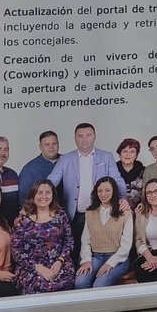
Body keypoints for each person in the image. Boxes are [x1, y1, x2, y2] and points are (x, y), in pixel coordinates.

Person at [47, 122, 124, 263]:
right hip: (76, 215)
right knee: (76, 251)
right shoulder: (65, 159)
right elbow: (51, 181)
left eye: (88, 135)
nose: (84, 139)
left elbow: (117, 180)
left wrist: (122, 199)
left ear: (94, 137)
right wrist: (40, 198)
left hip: (100, 212)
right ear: (75, 138)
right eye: (80, 136)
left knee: (97, 252)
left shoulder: (106, 157)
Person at [11, 179, 75, 295]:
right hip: (31, 267)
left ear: (53, 195)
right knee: (41, 285)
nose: (44, 196)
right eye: (40, 192)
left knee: (65, 280)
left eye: (48, 192)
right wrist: (38, 267)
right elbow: (16, 251)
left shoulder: (60, 215)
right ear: (33, 195)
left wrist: (60, 261)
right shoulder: (22, 219)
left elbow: (69, 240)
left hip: (58, 263)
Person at [75, 176, 133, 288]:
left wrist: (109, 264)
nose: (103, 194)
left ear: (114, 191)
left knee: (99, 285)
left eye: (107, 190)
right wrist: (86, 260)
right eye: (100, 191)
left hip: (118, 258)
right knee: (80, 282)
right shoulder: (90, 213)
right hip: (95, 256)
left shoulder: (125, 213)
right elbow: (85, 240)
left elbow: (126, 246)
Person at [18, 131, 62, 209]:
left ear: (58, 144)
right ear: (40, 147)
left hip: (68, 214)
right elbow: (24, 197)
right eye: (47, 144)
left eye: (54, 143)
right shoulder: (30, 169)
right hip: (41, 215)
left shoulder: (67, 161)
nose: (51, 147)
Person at [115, 138, 146, 209]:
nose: (128, 154)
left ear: (136, 155)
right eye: (125, 151)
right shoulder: (112, 171)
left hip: (139, 210)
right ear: (120, 154)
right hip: (117, 210)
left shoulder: (145, 171)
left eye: (132, 151)